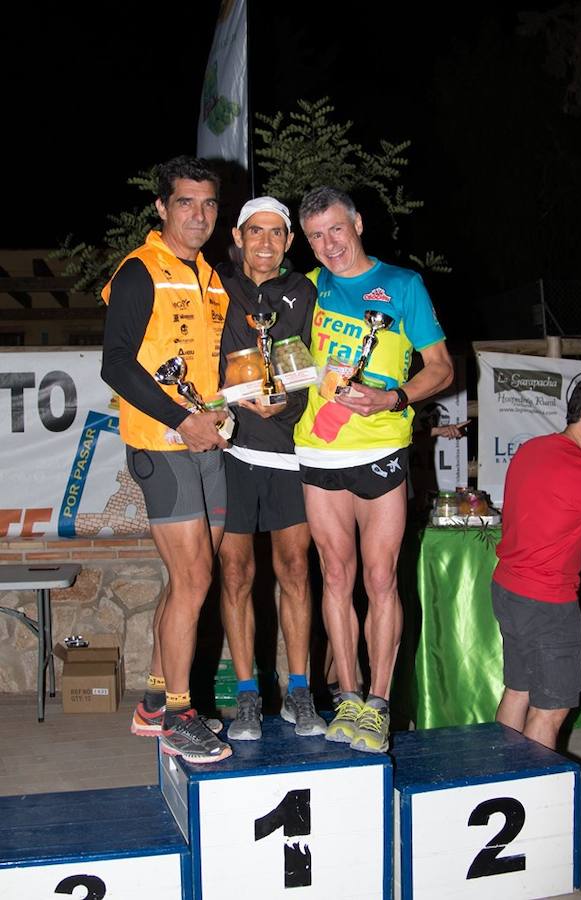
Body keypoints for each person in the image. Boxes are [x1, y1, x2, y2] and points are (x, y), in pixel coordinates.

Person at [295, 186, 454, 752]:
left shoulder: (404, 285)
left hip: (381, 449)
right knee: (334, 578)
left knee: (380, 579)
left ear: (358, 223)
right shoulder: (309, 288)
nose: (327, 244)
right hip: (318, 451)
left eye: (335, 229)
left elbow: (441, 367)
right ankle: (349, 697)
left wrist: (395, 400)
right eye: (314, 235)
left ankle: (380, 704)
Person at [101, 155, 232, 765]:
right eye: (186, 202)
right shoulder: (140, 271)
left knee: (189, 579)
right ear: (162, 208)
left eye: (208, 204)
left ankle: (154, 701)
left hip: (208, 442)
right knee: (195, 578)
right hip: (164, 443)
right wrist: (183, 419)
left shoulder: (208, 275)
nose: (199, 215)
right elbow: (117, 363)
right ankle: (180, 715)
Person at [217, 196, 326, 740]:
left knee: (296, 572)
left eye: (275, 233)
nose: (264, 242)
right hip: (232, 454)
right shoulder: (215, 288)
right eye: (254, 232)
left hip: (288, 453)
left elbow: (315, 368)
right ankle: (246, 698)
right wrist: (231, 401)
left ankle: (300, 691)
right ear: (237, 236)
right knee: (236, 575)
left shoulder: (305, 292)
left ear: (288, 242)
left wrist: (293, 403)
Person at [492, 378, 581, 750]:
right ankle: (534, 801)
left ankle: (502, 777)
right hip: (547, 601)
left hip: (510, 589)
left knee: (518, 691)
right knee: (550, 710)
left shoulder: (532, 449)